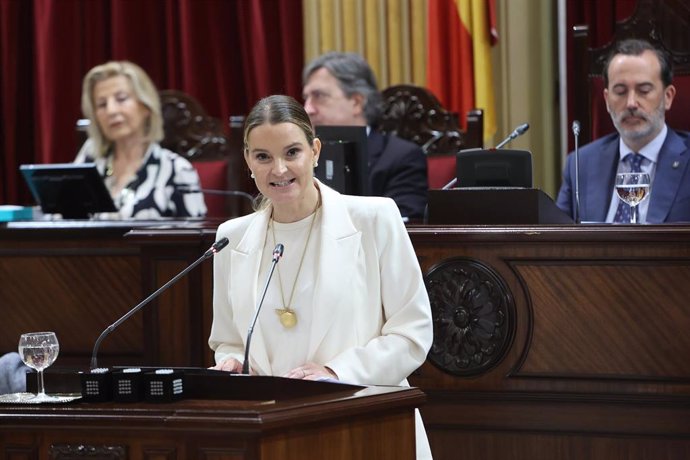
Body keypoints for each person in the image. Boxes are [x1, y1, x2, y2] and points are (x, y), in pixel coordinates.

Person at [208, 95, 434, 459]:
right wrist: (233, 362)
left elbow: (412, 333)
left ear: (315, 151)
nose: (279, 169)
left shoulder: (374, 219)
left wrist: (335, 370)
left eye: (292, 152)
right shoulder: (231, 237)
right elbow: (228, 340)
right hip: (275, 431)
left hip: (365, 423)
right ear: (248, 160)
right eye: (263, 156)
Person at [556, 39, 690, 223]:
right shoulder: (580, 164)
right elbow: (557, 239)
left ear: (668, 97)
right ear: (606, 100)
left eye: (643, 90)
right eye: (620, 92)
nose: (631, 103)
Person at [302, 51, 428, 221]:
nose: (307, 109)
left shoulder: (401, 157)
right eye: (306, 98)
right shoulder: (301, 157)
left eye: (319, 96)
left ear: (356, 102)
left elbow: (403, 225)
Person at [75, 61, 207, 219]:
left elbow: (197, 239)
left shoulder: (177, 170)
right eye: (102, 104)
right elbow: (61, 220)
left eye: (121, 99)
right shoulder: (90, 159)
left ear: (146, 106)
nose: (111, 110)